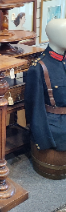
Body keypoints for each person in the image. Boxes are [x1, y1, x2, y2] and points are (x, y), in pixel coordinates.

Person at [25, 19, 66, 152]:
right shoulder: (38, 68)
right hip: (56, 125)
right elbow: (35, 109)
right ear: (55, 36)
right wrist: (43, 139)